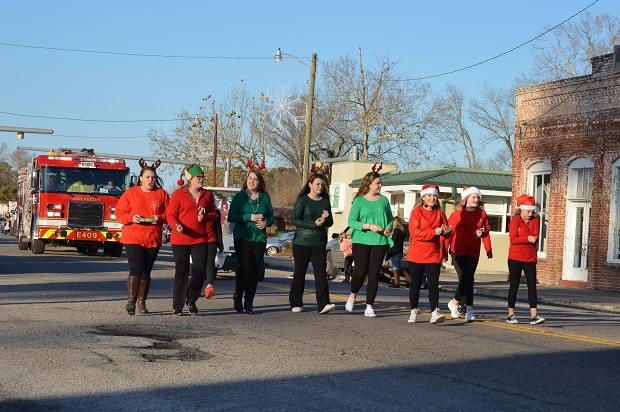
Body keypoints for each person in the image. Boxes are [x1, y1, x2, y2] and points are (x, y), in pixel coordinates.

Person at [115, 159, 169, 316]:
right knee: (136, 268)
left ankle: (142, 302)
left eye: (153, 178)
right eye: (147, 177)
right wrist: (131, 218)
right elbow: (119, 213)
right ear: (140, 178)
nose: (151, 180)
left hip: (152, 237)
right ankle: (131, 301)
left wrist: (160, 217)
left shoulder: (161, 194)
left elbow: (170, 213)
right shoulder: (130, 193)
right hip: (133, 236)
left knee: (146, 271)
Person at [166, 164, 217, 316]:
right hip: (180, 238)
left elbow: (213, 214)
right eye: (199, 177)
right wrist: (176, 225)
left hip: (200, 238)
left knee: (200, 270)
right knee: (181, 271)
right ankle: (178, 306)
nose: (202, 179)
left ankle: (192, 299)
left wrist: (205, 217)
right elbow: (170, 215)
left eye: (202, 177)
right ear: (190, 179)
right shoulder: (178, 194)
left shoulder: (207, 195)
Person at [345, 164, 393, 318]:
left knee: (374, 273)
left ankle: (369, 306)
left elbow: (391, 220)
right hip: (361, 240)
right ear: (369, 184)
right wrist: (368, 226)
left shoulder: (384, 200)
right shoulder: (359, 201)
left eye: (380, 183)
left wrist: (388, 228)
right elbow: (352, 222)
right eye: (378, 183)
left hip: (379, 241)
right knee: (360, 272)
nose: (380, 185)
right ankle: (353, 295)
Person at [228, 170, 275, 314]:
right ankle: (238, 295)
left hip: (259, 238)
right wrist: (250, 217)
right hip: (242, 237)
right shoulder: (239, 197)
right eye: (250, 178)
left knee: (255, 270)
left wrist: (266, 223)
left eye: (255, 179)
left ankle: (249, 303)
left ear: (259, 183)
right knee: (244, 268)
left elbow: (272, 217)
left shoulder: (265, 198)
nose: (252, 181)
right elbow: (231, 217)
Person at [288, 173, 336, 314]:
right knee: (299, 273)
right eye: (317, 184)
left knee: (321, 274)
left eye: (322, 185)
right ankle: (296, 303)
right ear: (310, 185)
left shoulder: (325, 201)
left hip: (319, 242)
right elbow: (294, 220)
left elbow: (331, 222)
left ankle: (323, 304)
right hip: (302, 242)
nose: (320, 187)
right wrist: (313, 224)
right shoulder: (302, 200)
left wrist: (325, 219)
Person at [444, 186, 492, 322]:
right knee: (468, 278)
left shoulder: (481, 214)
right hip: (458, 249)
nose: (476, 199)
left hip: (474, 250)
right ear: (466, 199)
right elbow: (449, 233)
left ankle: (454, 302)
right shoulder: (457, 214)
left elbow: (486, 231)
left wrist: (488, 248)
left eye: (478, 197)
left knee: (466, 279)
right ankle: (469, 310)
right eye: (473, 197)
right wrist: (444, 252)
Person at [406, 185, 452, 323]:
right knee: (415, 284)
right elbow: (415, 233)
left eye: (435, 196)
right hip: (417, 254)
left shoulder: (440, 213)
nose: (432, 198)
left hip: (433, 254)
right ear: (423, 197)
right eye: (429, 196)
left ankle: (434, 313)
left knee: (433, 284)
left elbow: (446, 232)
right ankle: (413, 311)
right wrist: (434, 232)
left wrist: (446, 231)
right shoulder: (417, 212)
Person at [507, 194, 545, 325]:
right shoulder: (515, 220)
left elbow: (535, 236)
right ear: (521, 210)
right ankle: (511, 314)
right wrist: (527, 239)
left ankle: (534, 315)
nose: (530, 213)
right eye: (528, 211)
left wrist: (530, 238)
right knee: (514, 285)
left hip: (529, 256)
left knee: (532, 285)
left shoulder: (535, 220)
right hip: (515, 256)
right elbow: (513, 239)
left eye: (532, 211)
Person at [387, 216, 408, 288]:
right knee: (399, 267)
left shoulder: (396, 230)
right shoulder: (402, 230)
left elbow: (394, 241)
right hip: (400, 251)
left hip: (395, 251)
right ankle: (410, 280)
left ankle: (397, 283)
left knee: (395, 268)